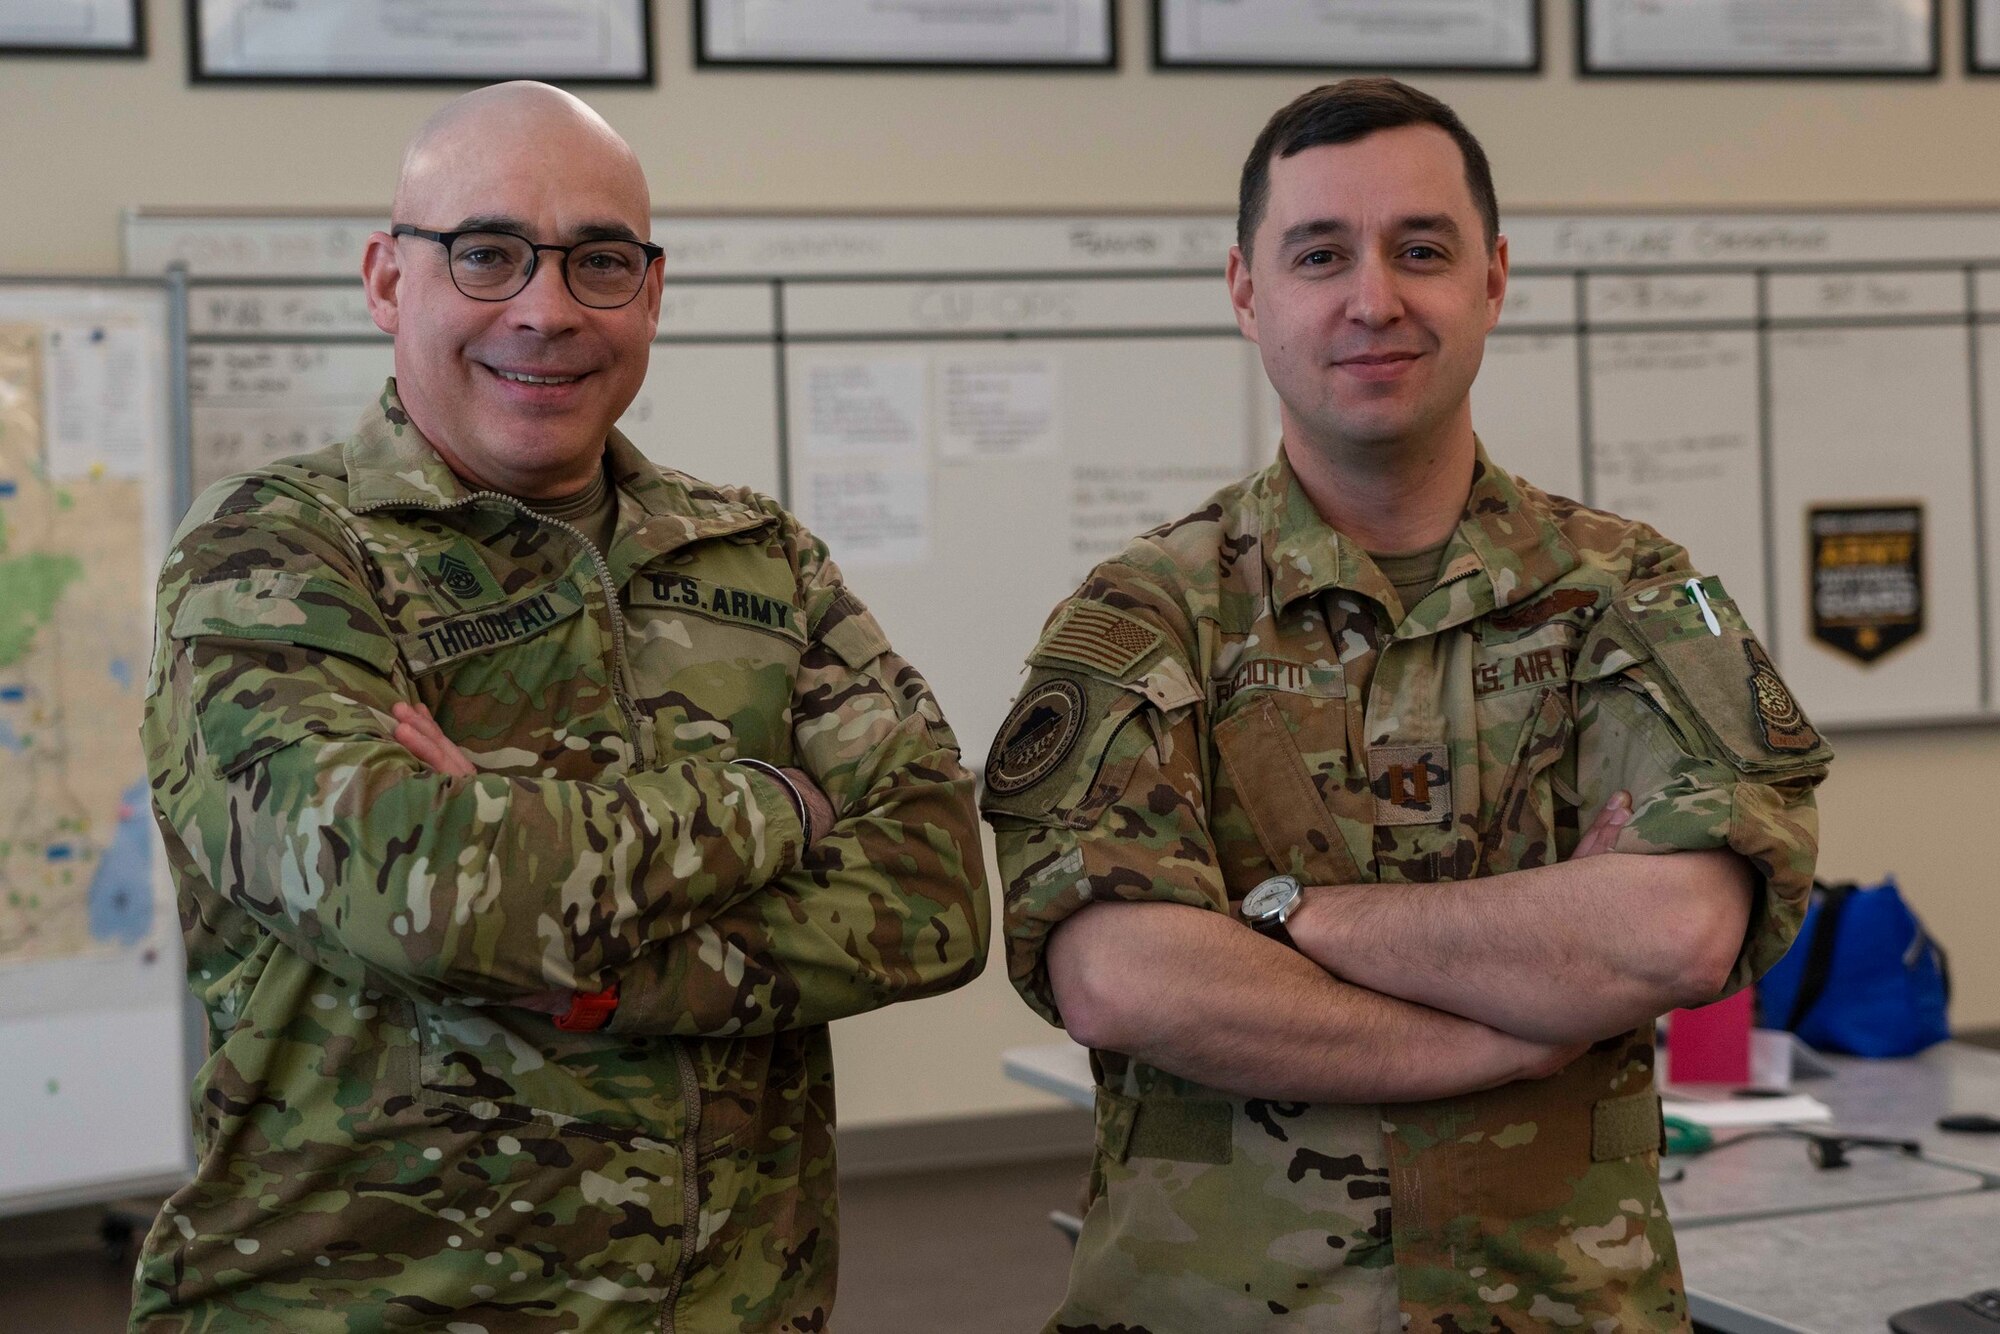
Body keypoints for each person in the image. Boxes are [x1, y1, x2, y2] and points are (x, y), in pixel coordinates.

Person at [982, 77, 1830, 1333]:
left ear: (1490, 279)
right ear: (1244, 291)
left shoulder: (1626, 593)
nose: (1371, 298)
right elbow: (1121, 974)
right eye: (1318, 253)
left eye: (1419, 250)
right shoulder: (1149, 614)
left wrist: (1286, 917)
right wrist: (1504, 1032)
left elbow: (1671, 935)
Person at [137, 82, 988, 1332]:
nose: (544, 308)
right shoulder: (273, 554)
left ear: (648, 292)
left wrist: (592, 967)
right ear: (387, 280)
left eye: (596, 261)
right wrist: (777, 805)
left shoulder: (756, 559)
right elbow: (416, 890)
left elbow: (937, 893)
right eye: (486, 254)